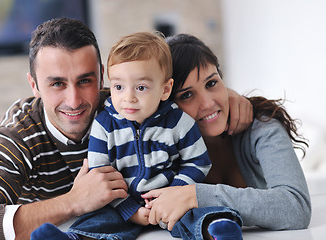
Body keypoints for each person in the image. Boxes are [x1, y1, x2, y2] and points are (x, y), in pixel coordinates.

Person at [0, 18, 251, 239]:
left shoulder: (120, 104)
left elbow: (169, 91)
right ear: (34, 85)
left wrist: (228, 100)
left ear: (103, 77)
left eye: (85, 80)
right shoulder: (19, 136)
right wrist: (74, 201)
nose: (74, 100)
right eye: (57, 84)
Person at [31, 32, 243, 240]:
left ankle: (217, 230)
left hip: (171, 200)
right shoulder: (104, 125)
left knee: (197, 213)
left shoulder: (179, 122)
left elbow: (198, 162)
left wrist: (175, 193)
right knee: (98, 219)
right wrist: (130, 211)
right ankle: (72, 238)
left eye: (141, 87)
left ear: (165, 89)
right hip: (120, 206)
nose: (128, 98)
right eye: (119, 87)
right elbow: (101, 175)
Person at [141, 34, 312, 232]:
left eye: (211, 83)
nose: (208, 103)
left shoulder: (261, 128)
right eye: (187, 95)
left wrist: (194, 196)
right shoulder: (158, 149)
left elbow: (296, 206)